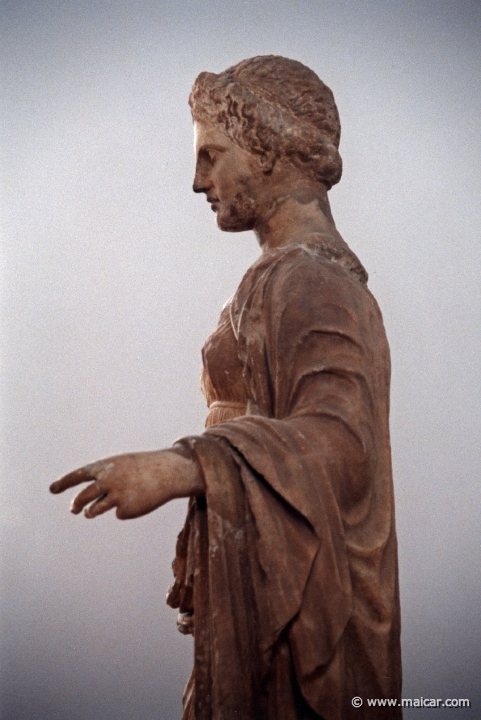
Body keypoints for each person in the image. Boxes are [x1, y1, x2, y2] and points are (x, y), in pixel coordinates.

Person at [51, 56, 402, 719]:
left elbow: (340, 442)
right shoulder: (280, 277)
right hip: (257, 581)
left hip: (307, 619)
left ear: (268, 149)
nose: (196, 181)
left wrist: (178, 467)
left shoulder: (310, 282)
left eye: (213, 155)